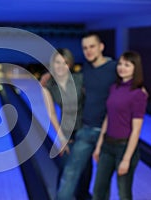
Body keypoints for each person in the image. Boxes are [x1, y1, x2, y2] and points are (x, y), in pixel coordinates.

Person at [56, 32, 118, 200]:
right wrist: (47, 77)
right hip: (85, 130)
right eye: (85, 48)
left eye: (92, 46)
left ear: (101, 47)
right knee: (69, 175)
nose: (88, 50)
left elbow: (129, 85)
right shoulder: (86, 69)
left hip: (108, 133)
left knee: (102, 183)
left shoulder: (114, 68)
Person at [92, 51, 147, 200]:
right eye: (121, 64)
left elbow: (136, 131)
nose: (122, 67)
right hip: (107, 146)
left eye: (127, 65)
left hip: (124, 148)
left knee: (124, 194)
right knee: (98, 191)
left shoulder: (138, 94)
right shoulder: (114, 88)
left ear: (136, 68)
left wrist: (127, 159)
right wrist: (99, 146)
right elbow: (108, 118)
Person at [41, 48, 91, 200]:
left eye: (65, 63)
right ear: (52, 64)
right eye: (57, 62)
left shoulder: (80, 79)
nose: (60, 66)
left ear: (69, 65)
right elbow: (51, 114)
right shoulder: (48, 86)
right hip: (67, 132)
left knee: (85, 172)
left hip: (85, 131)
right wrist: (62, 138)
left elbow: (95, 96)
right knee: (64, 173)